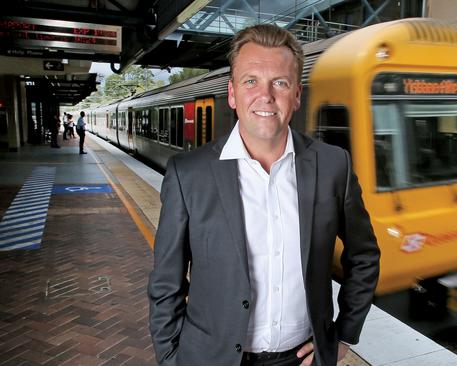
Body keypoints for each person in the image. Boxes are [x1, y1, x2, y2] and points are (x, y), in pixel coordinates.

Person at [148, 24, 380, 366]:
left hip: (301, 359)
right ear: (232, 93)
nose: (266, 95)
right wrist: (170, 357)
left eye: (280, 83)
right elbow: (166, 281)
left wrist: (344, 334)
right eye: (251, 80)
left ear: (297, 95)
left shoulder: (333, 166)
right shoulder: (188, 174)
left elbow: (363, 256)